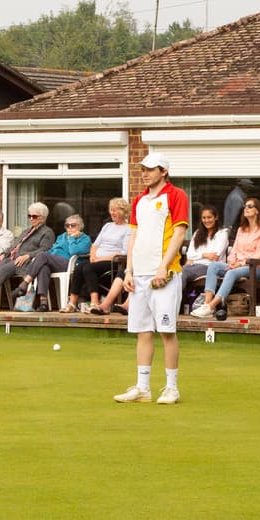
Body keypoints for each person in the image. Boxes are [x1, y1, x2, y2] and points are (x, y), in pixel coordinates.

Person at [114, 151, 189, 405]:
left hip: (164, 275)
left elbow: (179, 234)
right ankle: (142, 387)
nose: (144, 173)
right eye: (143, 169)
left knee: (167, 331)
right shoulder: (138, 201)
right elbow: (134, 238)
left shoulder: (177, 195)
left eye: (150, 169)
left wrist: (163, 267)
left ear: (163, 171)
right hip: (140, 275)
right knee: (142, 331)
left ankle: (171, 388)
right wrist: (128, 271)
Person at [191, 197, 260, 322]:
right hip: (237, 266)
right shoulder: (241, 229)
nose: (246, 208)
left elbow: (259, 255)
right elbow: (234, 251)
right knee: (214, 266)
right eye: (245, 206)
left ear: (257, 211)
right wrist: (232, 262)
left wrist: (239, 264)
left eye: (250, 206)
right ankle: (207, 305)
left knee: (232, 272)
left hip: (255, 268)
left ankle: (213, 305)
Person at [0, 202, 55, 307]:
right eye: (29, 216)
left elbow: (45, 250)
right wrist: (4, 253)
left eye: (34, 216)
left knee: (4, 269)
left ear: (43, 218)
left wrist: (28, 255)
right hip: (13, 258)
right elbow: (14, 245)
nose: (31, 218)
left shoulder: (47, 232)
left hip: (26, 263)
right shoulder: (27, 231)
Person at [17, 213, 91, 312]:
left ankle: (25, 282)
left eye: (72, 225)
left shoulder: (85, 239)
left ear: (80, 226)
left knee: (43, 255)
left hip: (70, 264)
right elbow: (52, 250)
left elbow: (74, 251)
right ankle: (43, 303)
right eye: (67, 225)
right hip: (54, 261)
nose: (69, 227)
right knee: (43, 267)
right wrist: (44, 257)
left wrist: (73, 238)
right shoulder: (61, 237)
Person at [70, 198, 132, 314]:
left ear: (123, 212)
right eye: (111, 210)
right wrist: (92, 256)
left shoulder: (128, 229)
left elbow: (124, 252)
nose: (112, 213)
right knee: (79, 267)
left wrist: (100, 259)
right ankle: (72, 303)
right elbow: (95, 244)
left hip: (113, 261)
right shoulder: (108, 226)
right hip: (97, 260)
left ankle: (95, 302)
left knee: (89, 268)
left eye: (115, 211)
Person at [183, 205, 228, 305]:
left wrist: (197, 256)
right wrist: (205, 254)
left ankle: (177, 303)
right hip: (194, 267)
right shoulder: (197, 233)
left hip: (210, 267)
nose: (206, 220)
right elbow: (190, 254)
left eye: (209, 217)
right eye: (204, 218)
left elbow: (215, 256)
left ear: (216, 217)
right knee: (178, 272)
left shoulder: (222, 233)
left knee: (183, 271)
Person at [221, 178, 254, 243]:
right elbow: (234, 219)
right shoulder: (237, 198)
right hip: (233, 233)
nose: (250, 188)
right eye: (248, 186)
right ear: (242, 186)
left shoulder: (237, 195)